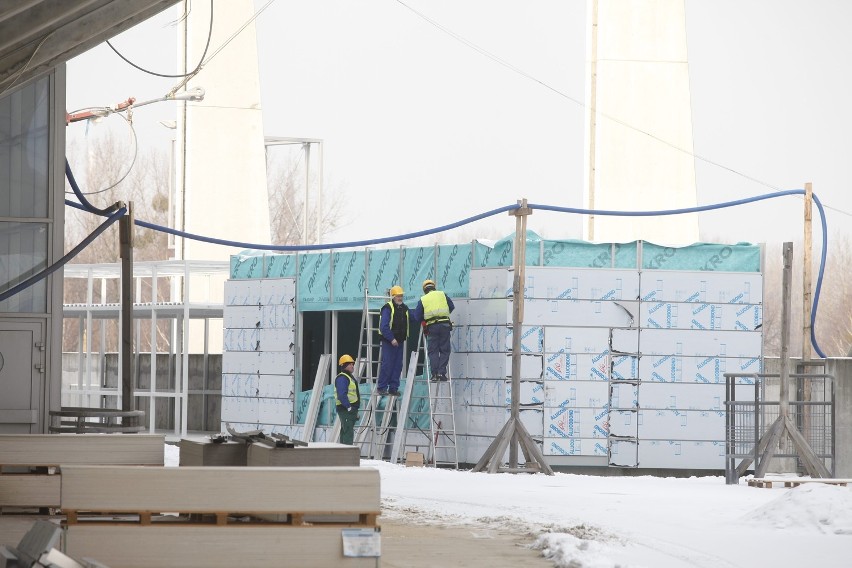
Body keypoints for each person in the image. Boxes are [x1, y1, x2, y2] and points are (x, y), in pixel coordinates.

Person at [411, 279, 455, 381]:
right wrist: (443, 315)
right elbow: (451, 306)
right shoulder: (442, 294)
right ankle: (441, 373)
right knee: (445, 350)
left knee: (433, 351)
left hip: (432, 327)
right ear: (434, 287)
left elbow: (417, 316)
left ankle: (435, 374)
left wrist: (426, 317)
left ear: (424, 289)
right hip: (444, 325)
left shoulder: (423, 299)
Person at [376, 285, 409, 396]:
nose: (400, 298)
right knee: (388, 364)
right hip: (390, 341)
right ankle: (382, 387)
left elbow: (412, 317)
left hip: (399, 341)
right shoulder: (388, 308)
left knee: (398, 365)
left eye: (401, 296)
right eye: (398, 296)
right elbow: (384, 326)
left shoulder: (404, 308)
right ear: (393, 296)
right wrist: (391, 339)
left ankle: (393, 388)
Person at [334, 354, 360, 445]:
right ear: (344, 365)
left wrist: (354, 410)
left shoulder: (349, 377)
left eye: (353, 364)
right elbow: (341, 394)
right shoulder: (342, 378)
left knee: (346, 430)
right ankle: (347, 454)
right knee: (348, 431)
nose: (352, 366)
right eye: (350, 364)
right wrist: (349, 407)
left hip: (350, 409)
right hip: (346, 409)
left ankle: (343, 453)